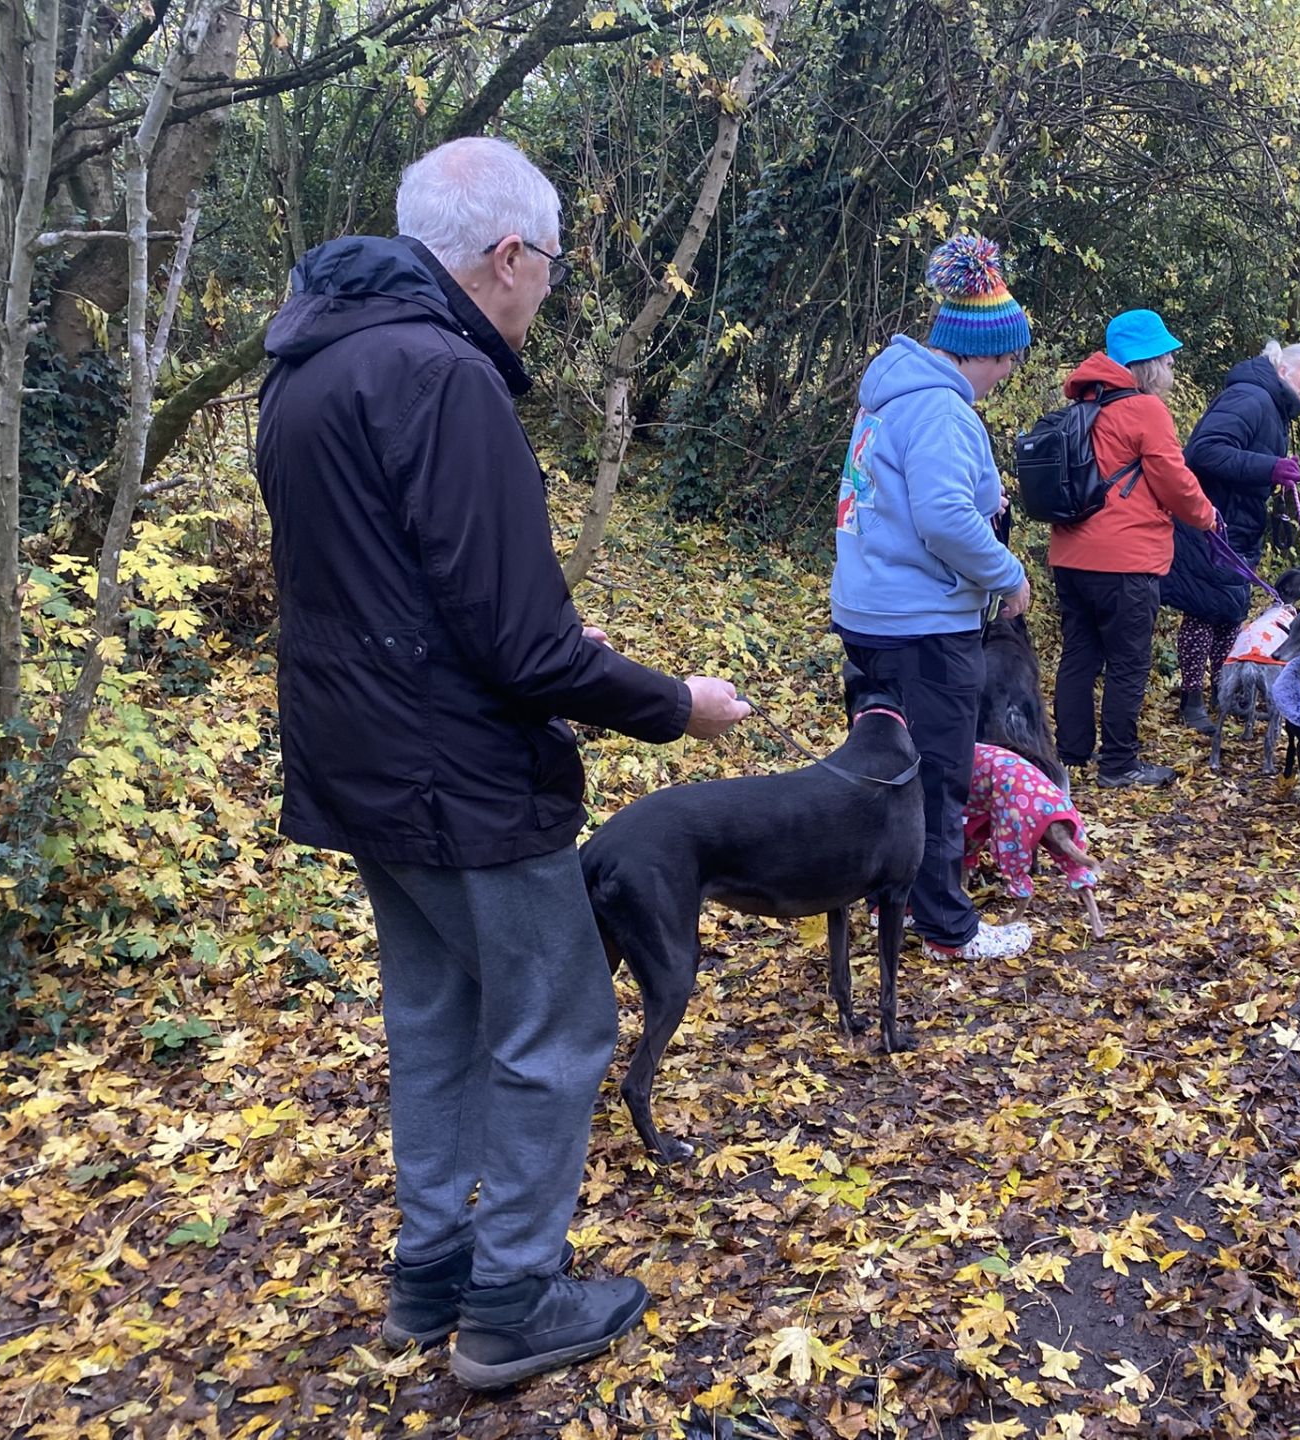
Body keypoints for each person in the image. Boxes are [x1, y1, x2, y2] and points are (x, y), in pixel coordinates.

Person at [254, 137, 749, 1390]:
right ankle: (515, 1301)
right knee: (561, 1023)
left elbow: (395, 592)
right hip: (462, 780)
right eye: (553, 268)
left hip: (359, 761)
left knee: (432, 1012)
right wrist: (671, 703)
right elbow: (521, 649)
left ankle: (432, 1275)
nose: (550, 296)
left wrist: (520, 639)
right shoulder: (441, 377)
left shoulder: (309, 369)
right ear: (510, 254)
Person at [831, 235, 1036, 962]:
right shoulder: (944, 411)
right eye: (1009, 357)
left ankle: (881, 899)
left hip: (867, 614)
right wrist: (1006, 574)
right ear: (980, 351)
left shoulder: (889, 399)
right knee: (939, 773)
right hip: (923, 626)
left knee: (881, 766)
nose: (1010, 372)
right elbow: (944, 517)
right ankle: (947, 926)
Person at [1048, 310, 1220, 788]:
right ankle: (1120, 764)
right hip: (1124, 561)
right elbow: (1175, 481)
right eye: (1167, 359)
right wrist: (1207, 517)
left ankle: (1071, 755)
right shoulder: (1145, 410)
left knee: (1079, 655)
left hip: (1069, 556)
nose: (1171, 368)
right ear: (1147, 364)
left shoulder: (1083, 407)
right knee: (1128, 662)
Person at [1162, 340, 1300, 735]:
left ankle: (1224, 692)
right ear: (1283, 371)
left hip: (1237, 527)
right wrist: (1270, 467)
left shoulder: (1273, 407)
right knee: (1203, 612)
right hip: (1210, 525)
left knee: (1230, 614)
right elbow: (1204, 452)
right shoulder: (1250, 397)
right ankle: (1192, 700)